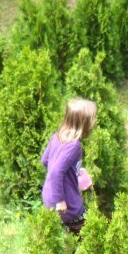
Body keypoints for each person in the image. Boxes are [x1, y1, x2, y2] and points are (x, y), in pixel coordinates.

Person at [41, 97, 96, 235]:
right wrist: (59, 200)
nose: (94, 122)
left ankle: (64, 249)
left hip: (48, 195)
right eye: (92, 118)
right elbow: (55, 172)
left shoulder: (57, 137)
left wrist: (75, 173)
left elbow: (45, 160)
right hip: (66, 202)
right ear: (82, 123)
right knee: (84, 231)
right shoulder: (74, 146)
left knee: (64, 234)